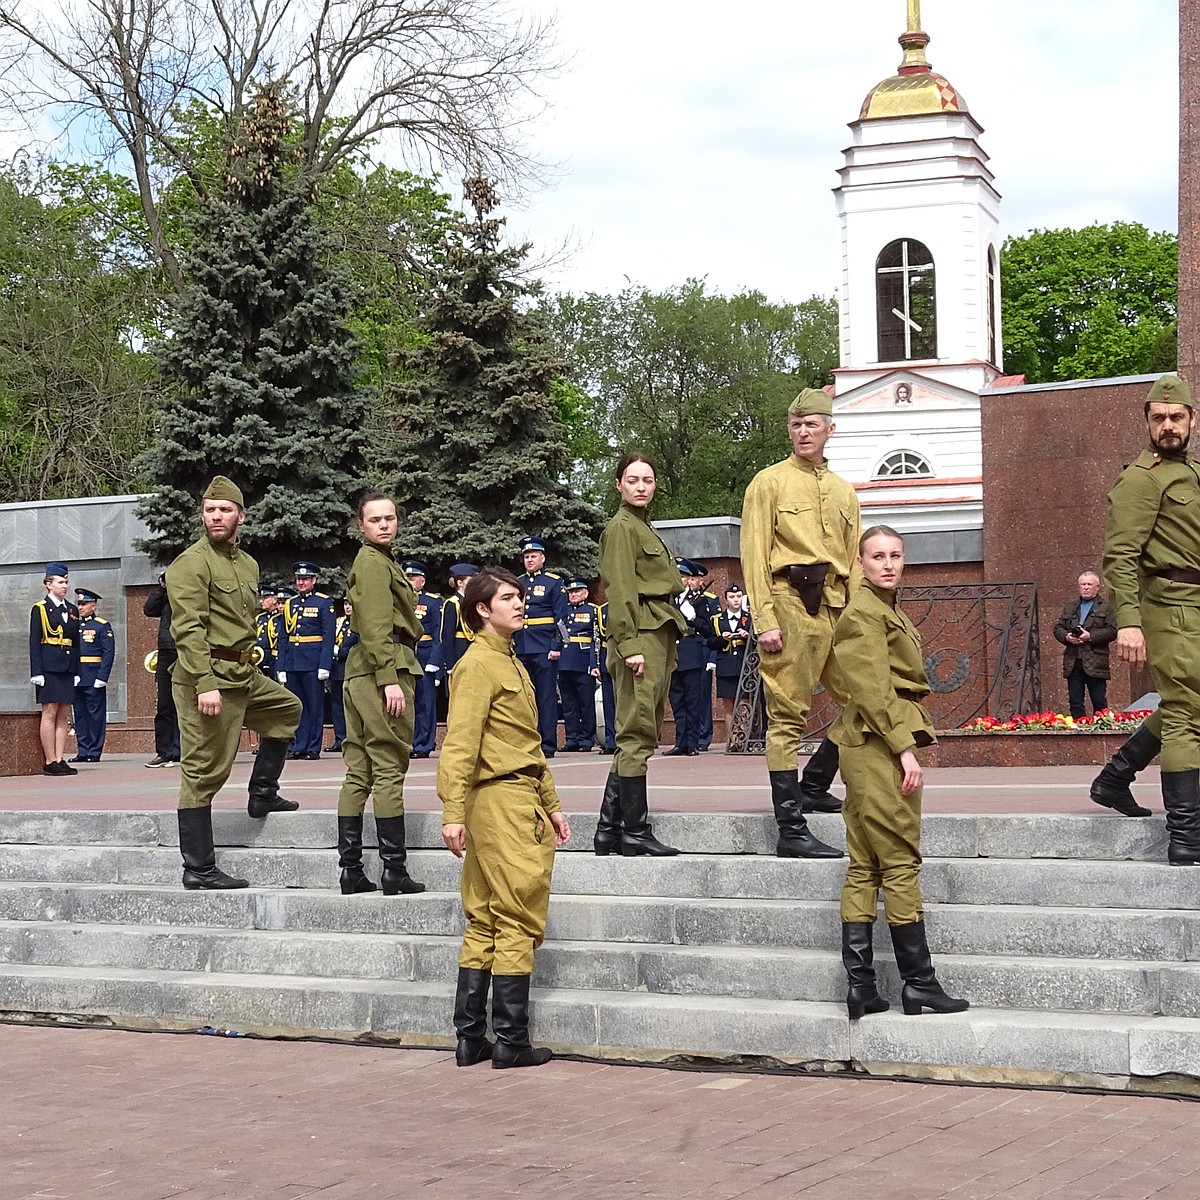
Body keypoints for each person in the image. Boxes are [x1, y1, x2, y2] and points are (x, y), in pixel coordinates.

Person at [830, 525, 968, 1018]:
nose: (887, 564)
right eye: (877, 556)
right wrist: (903, 748)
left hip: (874, 739)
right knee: (900, 860)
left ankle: (863, 989)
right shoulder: (864, 613)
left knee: (866, 865)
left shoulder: (884, 610)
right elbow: (870, 688)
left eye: (895, 555)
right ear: (860, 563)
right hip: (878, 742)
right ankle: (920, 983)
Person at [438, 567, 571, 1069]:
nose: (520, 604)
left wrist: (553, 805)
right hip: (501, 802)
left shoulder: (508, 660)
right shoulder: (478, 665)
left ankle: (471, 1038)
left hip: (514, 795)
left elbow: (527, 745)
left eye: (519, 597)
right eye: (509, 598)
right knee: (515, 914)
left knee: (487, 917)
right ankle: (511, 1042)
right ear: (482, 609)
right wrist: (453, 810)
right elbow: (461, 743)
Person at [167, 476, 302, 890]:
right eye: (210, 510)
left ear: (240, 515)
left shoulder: (247, 564)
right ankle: (199, 868)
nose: (216, 517)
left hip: (242, 674)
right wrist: (204, 682)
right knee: (204, 769)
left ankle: (262, 793)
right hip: (204, 679)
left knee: (287, 710)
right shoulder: (190, 563)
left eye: (225, 510)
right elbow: (188, 629)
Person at [740, 388, 853, 858]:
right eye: (796, 425)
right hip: (788, 601)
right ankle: (790, 827)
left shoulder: (845, 490)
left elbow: (854, 558)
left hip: (836, 605)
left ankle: (814, 783)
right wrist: (764, 617)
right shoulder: (768, 482)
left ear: (830, 429)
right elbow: (753, 553)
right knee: (787, 715)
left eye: (812, 424)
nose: (803, 432)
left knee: (862, 700)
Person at [1102, 374, 1200, 861]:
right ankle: (1186, 838)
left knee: (1190, 703)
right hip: (1170, 606)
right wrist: (1129, 621)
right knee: (1185, 711)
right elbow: (1120, 556)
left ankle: (1115, 776)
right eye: (1159, 418)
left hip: (1196, 606)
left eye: (1176, 417)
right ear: (1146, 421)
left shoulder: (1191, 473)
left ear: (1191, 420)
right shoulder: (1140, 478)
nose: (1168, 426)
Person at [334, 492, 427, 896]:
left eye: (390, 518)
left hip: (362, 670)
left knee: (360, 770)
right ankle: (394, 870)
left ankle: (351, 870)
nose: (385, 525)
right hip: (381, 667)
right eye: (375, 520)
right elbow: (375, 625)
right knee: (389, 767)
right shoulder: (373, 564)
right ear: (361, 525)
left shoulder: (377, 561)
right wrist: (389, 676)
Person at [595, 451, 686, 857]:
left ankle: (608, 831)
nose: (641, 487)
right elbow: (620, 592)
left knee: (642, 731)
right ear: (619, 485)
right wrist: (630, 646)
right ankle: (634, 832)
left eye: (647, 480)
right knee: (635, 734)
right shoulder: (621, 528)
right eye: (633, 480)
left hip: (658, 631)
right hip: (640, 634)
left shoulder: (643, 527)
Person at [514, 536, 569, 758]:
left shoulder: (553, 582)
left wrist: (556, 645)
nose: (529, 560)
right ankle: (528, 739)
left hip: (545, 648)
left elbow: (561, 618)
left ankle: (548, 743)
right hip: (522, 646)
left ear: (542, 559)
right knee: (525, 697)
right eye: (526, 557)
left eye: (533, 556)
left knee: (545, 697)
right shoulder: (518, 583)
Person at [278, 562, 336, 759]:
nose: (301, 582)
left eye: (305, 579)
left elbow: (329, 636)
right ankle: (299, 745)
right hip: (293, 661)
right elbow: (284, 636)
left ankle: (312, 747)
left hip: (313, 661)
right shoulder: (290, 603)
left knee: (314, 705)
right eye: (299, 579)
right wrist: (282, 666)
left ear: (314, 580)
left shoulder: (323, 602)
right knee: (298, 705)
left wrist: (324, 665)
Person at [28, 561, 80, 777]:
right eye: (60, 582)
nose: (64, 586)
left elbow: (76, 642)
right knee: (49, 711)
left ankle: (60, 758)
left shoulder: (72, 609)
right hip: (49, 666)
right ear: (48, 584)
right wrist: (36, 672)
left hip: (67, 667)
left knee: (64, 713)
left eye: (66, 582)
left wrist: (77, 671)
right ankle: (49, 760)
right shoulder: (40, 609)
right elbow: (34, 641)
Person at [664, 558, 718, 756]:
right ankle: (681, 742)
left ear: (689, 580)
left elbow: (709, 630)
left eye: (684, 576)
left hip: (692, 653)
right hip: (673, 653)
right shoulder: (667, 600)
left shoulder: (701, 601)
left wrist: (693, 618)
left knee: (692, 701)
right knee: (677, 701)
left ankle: (692, 743)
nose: (681, 579)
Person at [1052, 571, 1118, 719]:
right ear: (1079, 587)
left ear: (1097, 587)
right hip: (1073, 660)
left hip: (1096, 662)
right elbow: (1057, 628)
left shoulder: (1105, 607)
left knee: (1099, 701)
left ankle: (1101, 732)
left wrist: (1090, 636)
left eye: (1089, 584)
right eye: (1083, 584)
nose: (1086, 588)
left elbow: (1112, 631)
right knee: (1075, 701)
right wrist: (1067, 637)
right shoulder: (1070, 607)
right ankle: (1079, 729)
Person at [70, 588, 115, 762]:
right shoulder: (75, 626)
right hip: (78, 676)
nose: (80, 607)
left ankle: (94, 751)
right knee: (79, 715)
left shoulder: (102, 626)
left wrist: (102, 677)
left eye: (84, 604)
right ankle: (83, 751)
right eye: (79, 604)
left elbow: (108, 653)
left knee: (95, 715)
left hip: (94, 675)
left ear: (93, 606)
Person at [404, 560, 443, 759]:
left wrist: (435, 662)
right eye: (407, 577)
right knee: (408, 703)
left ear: (422, 580)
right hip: (407, 656)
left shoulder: (433, 602)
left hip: (425, 656)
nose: (409, 581)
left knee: (425, 703)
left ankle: (424, 743)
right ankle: (410, 741)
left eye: (413, 578)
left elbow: (439, 634)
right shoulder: (400, 601)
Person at [558, 576, 600, 751]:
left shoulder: (592, 610)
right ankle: (572, 739)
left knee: (586, 703)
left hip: (583, 662)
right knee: (569, 704)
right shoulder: (562, 610)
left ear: (585, 593)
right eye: (571, 592)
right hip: (564, 661)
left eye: (577, 591)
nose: (573, 594)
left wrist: (594, 663)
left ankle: (586, 740)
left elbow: (595, 639)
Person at [143, 573, 181, 767]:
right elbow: (149, 609)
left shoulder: (192, 592)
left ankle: (184, 750)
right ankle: (164, 752)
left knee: (189, 703)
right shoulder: (165, 595)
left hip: (188, 649)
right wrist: (162, 587)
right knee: (165, 704)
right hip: (167, 650)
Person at [434, 564, 479, 685]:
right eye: (472, 580)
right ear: (460, 583)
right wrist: (450, 665)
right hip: (459, 653)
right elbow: (447, 637)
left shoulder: (473, 602)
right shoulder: (453, 604)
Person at [708, 582, 753, 701]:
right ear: (726, 600)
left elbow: (757, 641)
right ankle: (729, 722)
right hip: (725, 666)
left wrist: (747, 637)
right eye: (732, 597)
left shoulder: (750, 617)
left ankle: (744, 721)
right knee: (728, 703)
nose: (736, 600)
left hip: (745, 665)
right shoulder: (717, 620)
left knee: (745, 701)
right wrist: (722, 638)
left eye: (738, 596)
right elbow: (710, 643)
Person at [326, 597, 356, 753]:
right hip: (336, 668)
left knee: (350, 706)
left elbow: (359, 645)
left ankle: (352, 738)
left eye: (350, 604)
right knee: (337, 705)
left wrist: (342, 652)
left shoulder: (359, 623)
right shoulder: (339, 622)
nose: (347, 607)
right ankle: (340, 738)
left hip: (350, 668)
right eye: (345, 604)